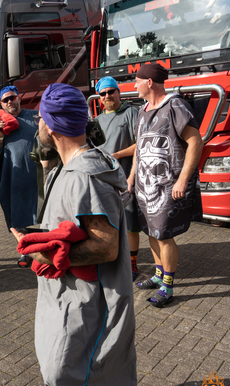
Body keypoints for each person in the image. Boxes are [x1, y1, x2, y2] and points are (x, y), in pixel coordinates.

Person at [12, 83, 137, 386]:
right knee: (70, 358)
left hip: (88, 297)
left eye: (40, 119)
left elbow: (106, 245)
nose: (37, 125)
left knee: (68, 361)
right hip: (69, 293)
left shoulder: (85, 177)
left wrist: (48, 257)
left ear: (51, 127)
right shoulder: (67, 168)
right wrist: (41, 241)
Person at [128, 63, 203, 308]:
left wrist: (183, 179)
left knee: (163, 235)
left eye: (137, 80)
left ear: (149, 82)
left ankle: (168, 286)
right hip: (143, 185)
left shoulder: (175, 106)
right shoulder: (142, 110)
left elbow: (195, 142)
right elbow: (139, 148)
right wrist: (131, 177)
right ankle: (159, 274)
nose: (134, 85)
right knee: (150, 231)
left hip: (168, 184)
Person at [0, 85, 39, 267]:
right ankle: (25, 250)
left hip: (36, 175)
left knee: (39, 213)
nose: (10, 102)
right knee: (15, 214)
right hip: (13, 177)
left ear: (19, 98)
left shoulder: (35, 117)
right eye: (5, 100)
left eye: (12, 97)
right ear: (1, 104)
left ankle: (37, 248)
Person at [95, 76, 142, 281]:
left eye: (110, 92)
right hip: (104, 182)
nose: (107, 96)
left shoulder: (131, 112)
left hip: (127, 180)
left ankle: (132, 264)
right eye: (103, 94)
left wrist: (117, 155)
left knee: (131, 224)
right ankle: (113, 259)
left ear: (118, 92)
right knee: (108, 222)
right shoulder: (97, 120)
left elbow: (140, 144)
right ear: (99, 98)